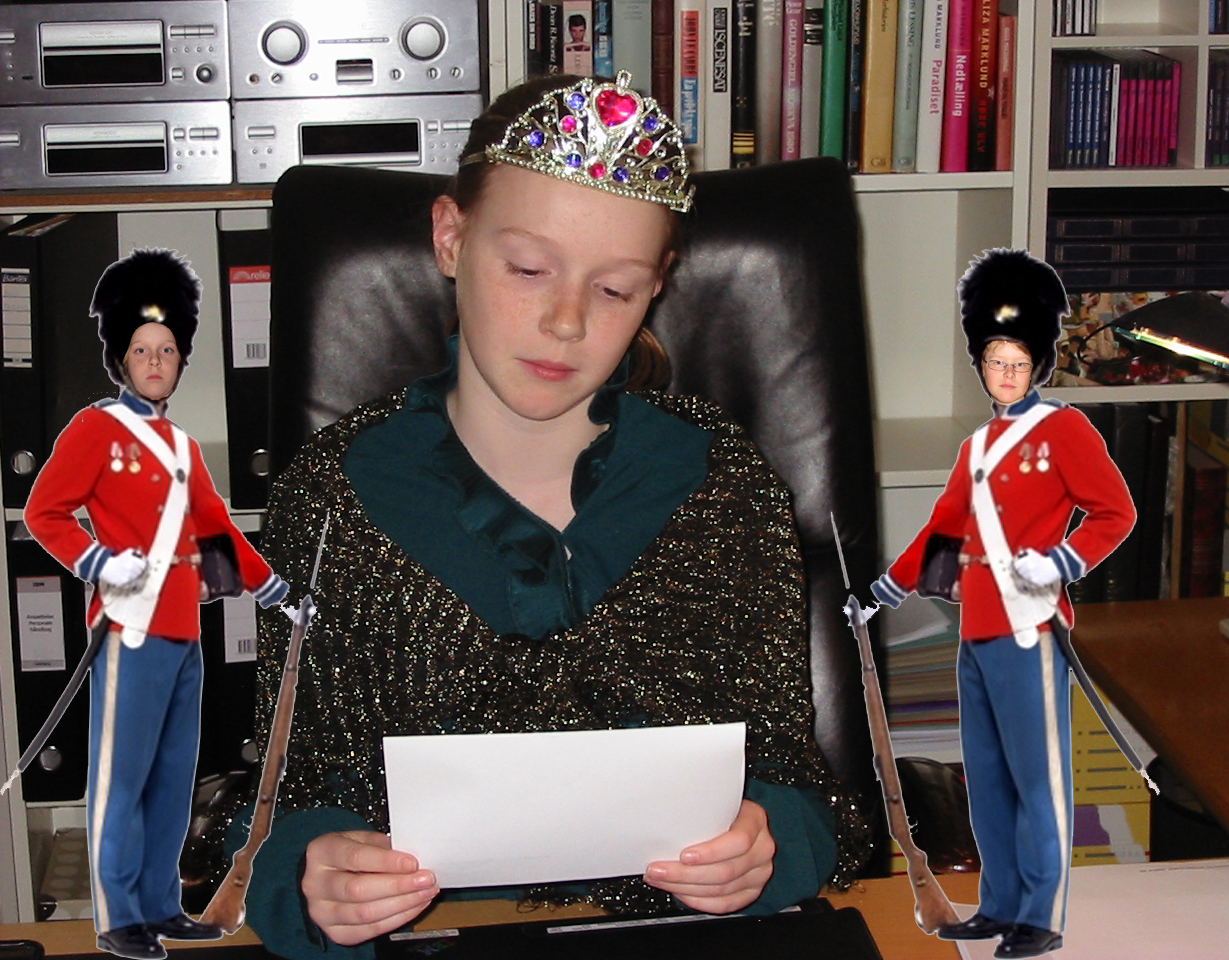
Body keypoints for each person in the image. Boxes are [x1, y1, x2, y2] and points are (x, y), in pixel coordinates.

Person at [230, 72, 872, 960]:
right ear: (451, 237)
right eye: (529, 270)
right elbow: (283, 799)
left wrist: (767, 846)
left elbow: (797, 787)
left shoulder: (720, 486)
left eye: (615, 290)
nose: (566, 322)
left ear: (658, 286)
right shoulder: (334, 497)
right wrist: (310, 879)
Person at [866, 250, 1136, 960]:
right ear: (980, 364)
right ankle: (1000, 905)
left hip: (1027, 626)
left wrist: (1062, 560)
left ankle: (1040, 917)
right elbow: (944, 528)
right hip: (976, 630)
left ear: (1038, 363)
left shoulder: (1065, 432)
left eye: (1017, 361)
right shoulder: (976, 447)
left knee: (1036, 782)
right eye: (994, 361)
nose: (1006, 373)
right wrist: (889, 588)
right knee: (986, 780)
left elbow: (1115, 513)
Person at [24, 250, 290, 960]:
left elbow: (216, 529)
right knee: (123, 782)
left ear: (180, 361)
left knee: (173, 780)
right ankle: (119, 918)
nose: (154, 361)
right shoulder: (95, 430)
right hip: (131, 628)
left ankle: (161, 905)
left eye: (167, 350)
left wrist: (271, 588)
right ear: (120, 357)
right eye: (142, 349)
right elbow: (45, 512)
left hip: (184, 632)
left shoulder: (182, 448)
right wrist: (97, 561)